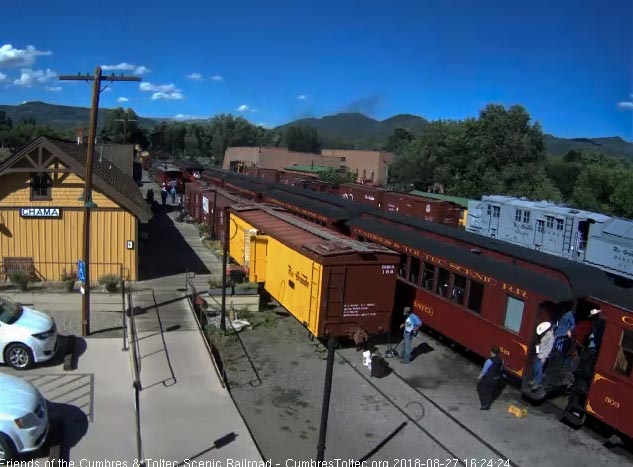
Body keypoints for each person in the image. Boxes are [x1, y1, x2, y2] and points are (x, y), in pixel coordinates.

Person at [477, 346, 504, 410]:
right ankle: (488, 403)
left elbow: (484, 371)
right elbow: (501, 369)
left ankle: (484, 404)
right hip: (496, 379)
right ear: (498, 353)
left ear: (491, 352)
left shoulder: (489, 361)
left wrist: (480, 376)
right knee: (490, 391)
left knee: (480, 388)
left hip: (489, 378)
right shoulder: (501, 361)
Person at [529, 321, 555, 390]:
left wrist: (544, 357)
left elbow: (549, 348)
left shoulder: (551, 337)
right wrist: (538, 347)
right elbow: (542, 344)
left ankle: (538, 382)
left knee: (539, 368)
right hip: (540, 354)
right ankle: (535, 380)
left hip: (543, 355)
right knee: (535, 367)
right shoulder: (545, 335)